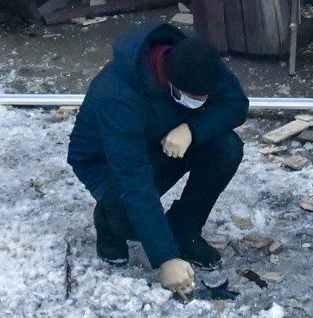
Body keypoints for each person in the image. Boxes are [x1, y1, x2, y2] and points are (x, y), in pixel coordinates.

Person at [67, 23, 249, 296]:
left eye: (205, 98)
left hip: (163, 137)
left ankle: (183, 230)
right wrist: (165, 258)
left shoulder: (196, 58)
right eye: (193, 98)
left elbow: (235, 104)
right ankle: (107, 222)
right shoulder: (117, 94)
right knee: (128, 214)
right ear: (171, 84)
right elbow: (134, 181)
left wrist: (193, 129)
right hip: (106, 158)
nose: (201, 102)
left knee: (226, 147)